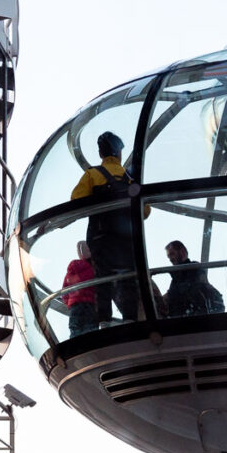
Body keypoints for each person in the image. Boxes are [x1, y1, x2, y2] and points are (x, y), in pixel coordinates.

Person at [71, 131, 139, 324]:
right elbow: (146, 211)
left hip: (101, 239)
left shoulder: (92, 175)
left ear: (101, 154)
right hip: (126, 240)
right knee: (128, 277)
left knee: (102, 279)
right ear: (118, 153)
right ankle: (130, 320)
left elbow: (76, 201)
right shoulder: (129, 179)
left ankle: (104, 321)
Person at [163, 240, 224, 317]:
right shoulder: (176, 278)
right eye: (169, 256)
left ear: (182, 252)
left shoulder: (195, 268)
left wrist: (166, 297)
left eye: (172, 254)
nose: (170, 259)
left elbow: (189, 287)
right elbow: (173, 293)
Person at [61, 241, 97, 338]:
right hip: (90, 303)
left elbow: (65, 291)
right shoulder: (93, 268)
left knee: (75, 328)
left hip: (75, 305)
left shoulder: (72, 268)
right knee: (91, 328)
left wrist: (68, 302)